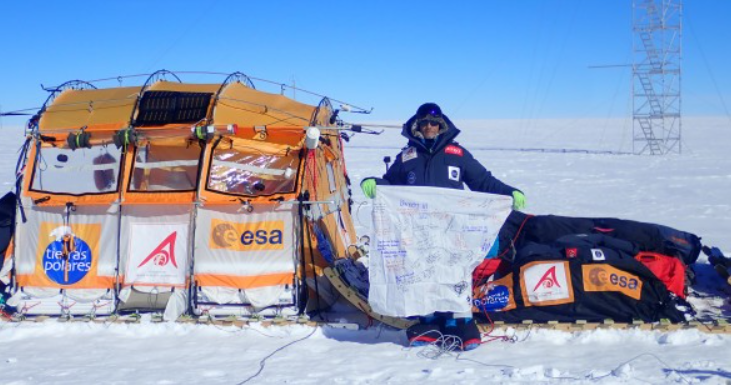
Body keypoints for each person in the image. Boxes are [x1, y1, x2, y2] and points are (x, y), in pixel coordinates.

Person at [360, 102, 526, 351]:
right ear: (417, 126)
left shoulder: (457, 154)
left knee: (454, 272)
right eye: (424, 123)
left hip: (452, 229)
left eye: (434, 123)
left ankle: (459, 321)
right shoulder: (407, 156)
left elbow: (482, 181)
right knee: (422, 273)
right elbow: (390, 184)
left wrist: (508, 192)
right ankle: (427, 321)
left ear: (441, 126)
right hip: (419, 230)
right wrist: (374, 182)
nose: (429, 127)